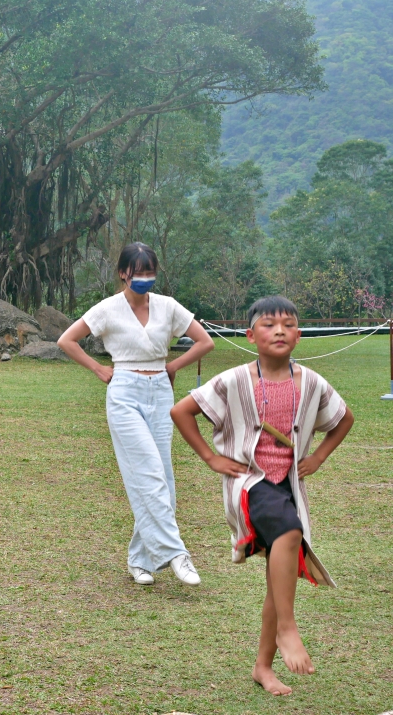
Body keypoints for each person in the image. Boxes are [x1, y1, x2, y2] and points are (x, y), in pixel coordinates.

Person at [171, 296, 353, 695]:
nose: (280, 331)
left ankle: (263, 667)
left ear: (299, 335)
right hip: (250, 483)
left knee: (280, 576)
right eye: (269, 325)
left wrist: (319, 456)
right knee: (289, 533)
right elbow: (182, 411)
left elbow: (343, 418)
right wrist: (210, 458)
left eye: (288, 325)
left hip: (287, 485)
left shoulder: (310, 382)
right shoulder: (234, 380)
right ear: (251, 335)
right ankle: (288, 628)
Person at [57, 242, 214, 585]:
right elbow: (67, 340)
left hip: (159, 390)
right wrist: (99, 370)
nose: (144, 278)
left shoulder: (168, 307)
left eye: (149, 272)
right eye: (138, 272)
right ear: (123, 273)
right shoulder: (108, 308)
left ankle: (139, 560)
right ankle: (176, 553)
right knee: (146, 471)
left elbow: (205, 342)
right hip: (124, 390)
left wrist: (172, 365)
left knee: (164, 478)